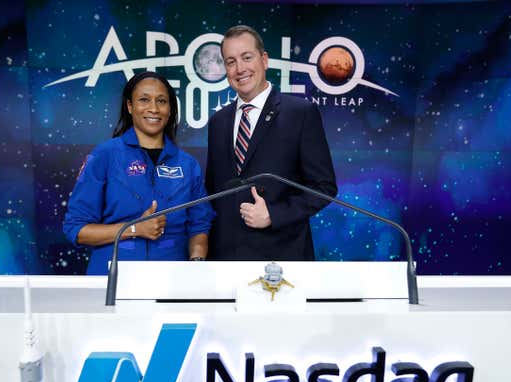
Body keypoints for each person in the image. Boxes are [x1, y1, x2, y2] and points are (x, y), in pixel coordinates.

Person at [206, 25, 337, 261]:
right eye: (230, 61)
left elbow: (324, 188)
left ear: (264, 60)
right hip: (225, 258)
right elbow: (212, 192)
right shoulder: (218, 122)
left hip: (281, 258)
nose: (240, 69)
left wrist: (274, 215)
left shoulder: (300, 113)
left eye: (247, 57)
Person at [64, 71, 214, 274]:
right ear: (130, 106)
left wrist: (196, 265)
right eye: (144, 100)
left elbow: (199, 226)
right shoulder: (104, 156)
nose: (154, 108)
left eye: (161, 101)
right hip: (113, 279)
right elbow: (76, 229)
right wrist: (134, 229)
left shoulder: (188, 165)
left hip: (171, 282)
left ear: (170, 109)